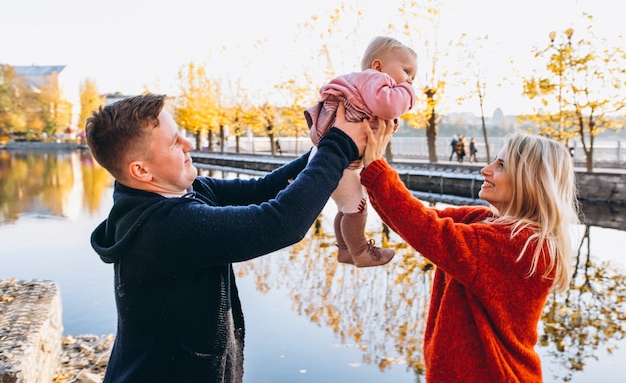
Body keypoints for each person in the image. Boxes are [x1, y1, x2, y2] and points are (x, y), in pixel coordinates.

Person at [85, 93, 367, 383]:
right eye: (173, 143)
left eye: (180, 135)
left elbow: (265, 190)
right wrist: (339, 144)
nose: (188, 145)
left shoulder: (182, 192)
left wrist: (326, 145)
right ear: (141, 170)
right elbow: (281, 223)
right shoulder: (164, 228)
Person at [360, 120, 579, 383]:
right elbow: (413, 217)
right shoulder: (484, 220)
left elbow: (426, 229)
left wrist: (377, 168)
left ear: (529, 181)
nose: (485, 170)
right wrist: (369, 171)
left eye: (501, 165)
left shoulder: (520, 245)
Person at [304, 36, 416, 267]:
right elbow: (388, 105)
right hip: (339, 164)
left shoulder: (364, 86)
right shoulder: (376, 79)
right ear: (378, 66)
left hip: (333, 159)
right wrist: (407, 93)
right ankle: (361, 252)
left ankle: (345, 250)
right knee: (358, 208)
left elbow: (379, 112)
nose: (409, 81)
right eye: (406, 71)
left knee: (346, 208)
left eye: (412, 77)